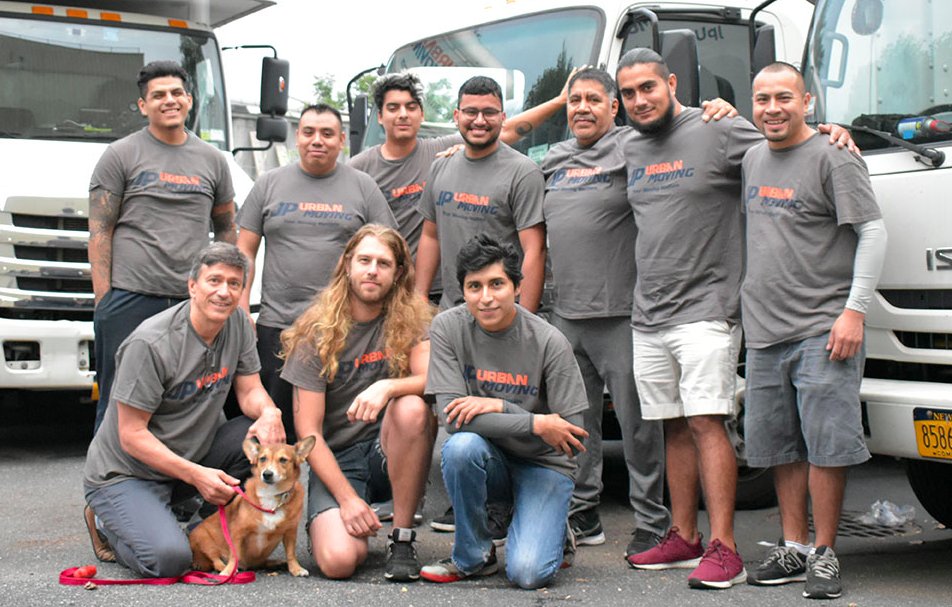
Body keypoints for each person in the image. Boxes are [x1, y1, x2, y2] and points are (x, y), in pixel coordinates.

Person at [618, 48, 855, 590]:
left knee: (706, 422)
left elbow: (787, 139)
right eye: (628, 93)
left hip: (708, 306)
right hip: (649, 311)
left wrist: (830, 130)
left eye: (648, 87)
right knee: (673, 424)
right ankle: (684, 536)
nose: (640, 100)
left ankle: (724, 548)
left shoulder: (718, 128)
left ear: (671, 82)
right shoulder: (627, 144)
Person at [742, 63, 886, 600]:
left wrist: (855, 311)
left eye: (784, 97)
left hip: (824, 328)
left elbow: (872, 232)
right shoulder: (752, 157)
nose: (772, 108)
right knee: (781, 446)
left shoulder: (834, 155)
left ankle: (824, 552)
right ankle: (793, 547)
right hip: (765, 330)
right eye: (762, 99)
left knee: (827, 446)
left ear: (807, 102)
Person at [82, 242, 285, 578]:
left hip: (187, 461)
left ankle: (195, 529)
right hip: (127, 472)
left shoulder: (236, 322)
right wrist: (195, 474)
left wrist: (269, 412)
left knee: (258, 438)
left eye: (234, 284)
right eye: (214, 280)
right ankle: (106, 522)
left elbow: (250, 390)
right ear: (192, 286)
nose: (224, 292)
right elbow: (131, 435)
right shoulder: (150, 344)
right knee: (169, 561)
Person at [541, 67, 668, 556]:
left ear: (615, 107)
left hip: (622, 314)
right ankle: (583, 510)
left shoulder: (633, 145)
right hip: (566, 314)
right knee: (577, 422)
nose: (582, 108)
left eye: (594, 99)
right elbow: (497, 137)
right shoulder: (556, 157)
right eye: (574, 100)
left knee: (638, 425)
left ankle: (652, 519)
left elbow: (685, 134)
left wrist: (717, 110)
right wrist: (451, 149)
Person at [419, 234, 589, 589]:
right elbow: (452, 419)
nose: (486, 297)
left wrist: (500, 407)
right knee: (461, 447)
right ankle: (472, 557)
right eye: (474, 286)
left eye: (497, 284)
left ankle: (554, 529)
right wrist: (535, 422)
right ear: (463, 291)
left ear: (517, 287)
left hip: (543, 464)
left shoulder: (549, 341)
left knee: (528, 574)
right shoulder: (448, 327)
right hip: (489, 457)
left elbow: (572, 435)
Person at [89, 60, 237, 433]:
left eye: (176, 93)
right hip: (130, 297)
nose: (169, 100)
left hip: (192, 301)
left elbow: (225, 229)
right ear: (143, 106)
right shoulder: (120, 155)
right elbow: (100, 230)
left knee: (185, 397)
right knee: (119, 398)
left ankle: (178, 468)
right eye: (158, 95)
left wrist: (225, 288)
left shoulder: (213, 160)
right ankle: (109, 469)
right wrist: (105, 300)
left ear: (189, 100)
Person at [280, 225, 433, 582]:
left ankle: (402, 538)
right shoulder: (315, 331)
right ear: (347, 264)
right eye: (364, 260)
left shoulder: (413, 319)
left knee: (412, 407)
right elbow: (309, 433)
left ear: (398, 272)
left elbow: (432, 380)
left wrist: (388, 386)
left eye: (383, 263)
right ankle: (344, 514)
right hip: (339, 459)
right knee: (339, 561)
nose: (372, 270)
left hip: (387, 450)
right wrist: (347, 500)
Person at [237, 104, 397, 441]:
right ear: (297, 137)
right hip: (279, 326)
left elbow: (389, 250)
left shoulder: (363, 187)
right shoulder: (268, 184)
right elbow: (244, 251)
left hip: (343, 329)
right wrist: (241, 308)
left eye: (327, 133)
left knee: (336, 430)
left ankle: (340, 474)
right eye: (309, 132)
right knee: (278, 434)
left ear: (342, 140)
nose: (317, 140)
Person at [350, 71, 568, 260]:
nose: (403, 115)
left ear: (422, 114)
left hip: (441, 283)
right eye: (393, 108)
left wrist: (560, 101)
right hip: (387, 280)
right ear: (380, 116)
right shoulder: (359, 168)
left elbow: (505, 130)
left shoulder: (443, 151)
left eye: (411, 107)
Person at [415, 76, 546, 313]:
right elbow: (430, 236)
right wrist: (420, 297)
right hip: (449, 312)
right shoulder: (440, 168)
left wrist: (525, 320)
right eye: (471, 112)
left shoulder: (523, 173)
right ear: (457, 116)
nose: (479, 120)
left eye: (489, 112)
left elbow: (534, 251)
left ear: (503, 118)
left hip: (501, 313)